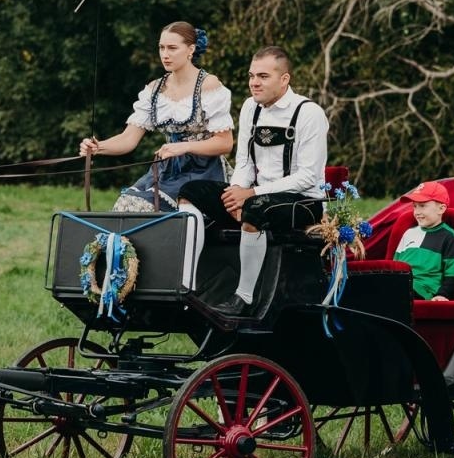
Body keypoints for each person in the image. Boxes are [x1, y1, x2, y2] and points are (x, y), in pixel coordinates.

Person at [179, 45, 327, 317]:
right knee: (191, 190)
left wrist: (252, 193)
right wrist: (236, 192)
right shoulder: (250, 107)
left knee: (257, 208)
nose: (254, 83)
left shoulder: (309, 113)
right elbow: (245, 162)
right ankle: (187, 284)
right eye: (251, 76)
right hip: (255, 195)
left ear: (284, 79)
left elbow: (308, 176)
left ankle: (244, 297)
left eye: (263, 76)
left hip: (305, 202)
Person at [78, 21, 234, 212]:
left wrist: (183, 147)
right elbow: (129, 138)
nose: (165, 54)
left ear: (190, 49)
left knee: (145, 208)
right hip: (166, 171)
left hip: (204, 171)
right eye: (161, 47)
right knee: (125, 206)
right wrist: (98, 147)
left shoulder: (208, 85)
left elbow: (225, 143)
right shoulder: (155, 89)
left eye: (172, 48)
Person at [392, 181, 454, 300]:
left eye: (422, 206)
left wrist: (442, 294)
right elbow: (394, 266)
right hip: (399, 282)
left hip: (423, 289)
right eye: (415, 206)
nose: (417, 212)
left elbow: (452, 274)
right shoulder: (408, 233)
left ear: (441, 209)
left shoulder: (449, 236)